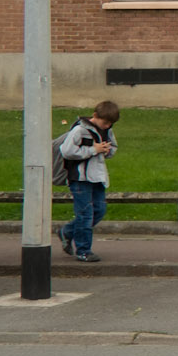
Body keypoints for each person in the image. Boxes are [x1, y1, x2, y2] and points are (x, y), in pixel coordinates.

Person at [57, 100, 120, 263]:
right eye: (105, 122)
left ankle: (67, 231)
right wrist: (93, 150)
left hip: (97, 176)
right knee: (85, 214)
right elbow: (66, 150)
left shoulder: (108, 131)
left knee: (99, 210)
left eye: (110, 124)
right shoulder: (80, 130)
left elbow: (113, 148)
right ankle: (83, 250)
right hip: (80, 178)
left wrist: (107, 150)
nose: (107, 126)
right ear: (95, 116)